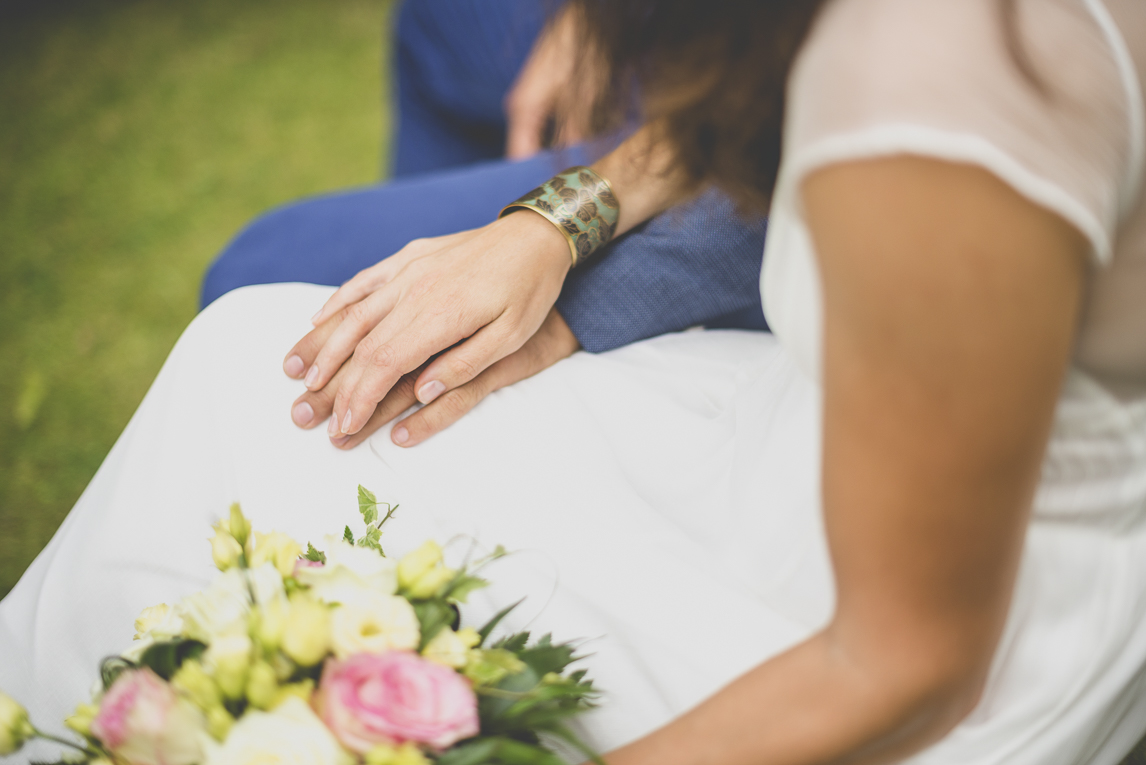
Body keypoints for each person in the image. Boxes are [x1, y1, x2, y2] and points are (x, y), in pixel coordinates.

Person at [3, 0, 1145, 763]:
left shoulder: (928, 125)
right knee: (250, 367)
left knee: (275, 404)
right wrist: (556, 222)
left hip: (903, 626)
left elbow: (910, 665)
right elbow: (774, 90)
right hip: (802, 458)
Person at [200, 0, 769, 446]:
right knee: (442, 20)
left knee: (259, 271)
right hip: (722, 42)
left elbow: (791, 155)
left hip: (754, 167)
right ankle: (431, 297)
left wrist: (569, 290)